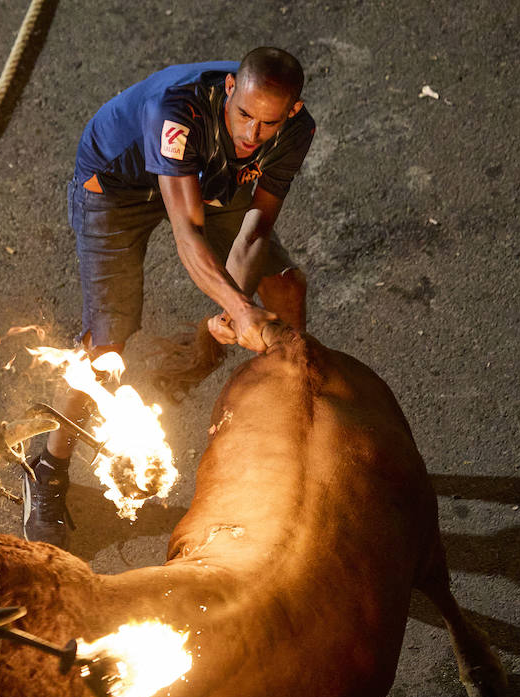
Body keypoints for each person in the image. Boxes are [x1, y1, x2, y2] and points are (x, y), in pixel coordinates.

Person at [24, 47, 315, 549]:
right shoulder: (176, 111)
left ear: (290, 112)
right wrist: (243, 311)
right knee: (106, 338)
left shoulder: (296, 130)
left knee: (285, 283)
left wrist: (234, 306)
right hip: (116, 187)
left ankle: (290, 427)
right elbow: (188, 237)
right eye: (243, 115)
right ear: (230, 91)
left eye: (267, 124)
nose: (251, 134)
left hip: (205, 177)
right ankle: (46, 465)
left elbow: (255, 231)